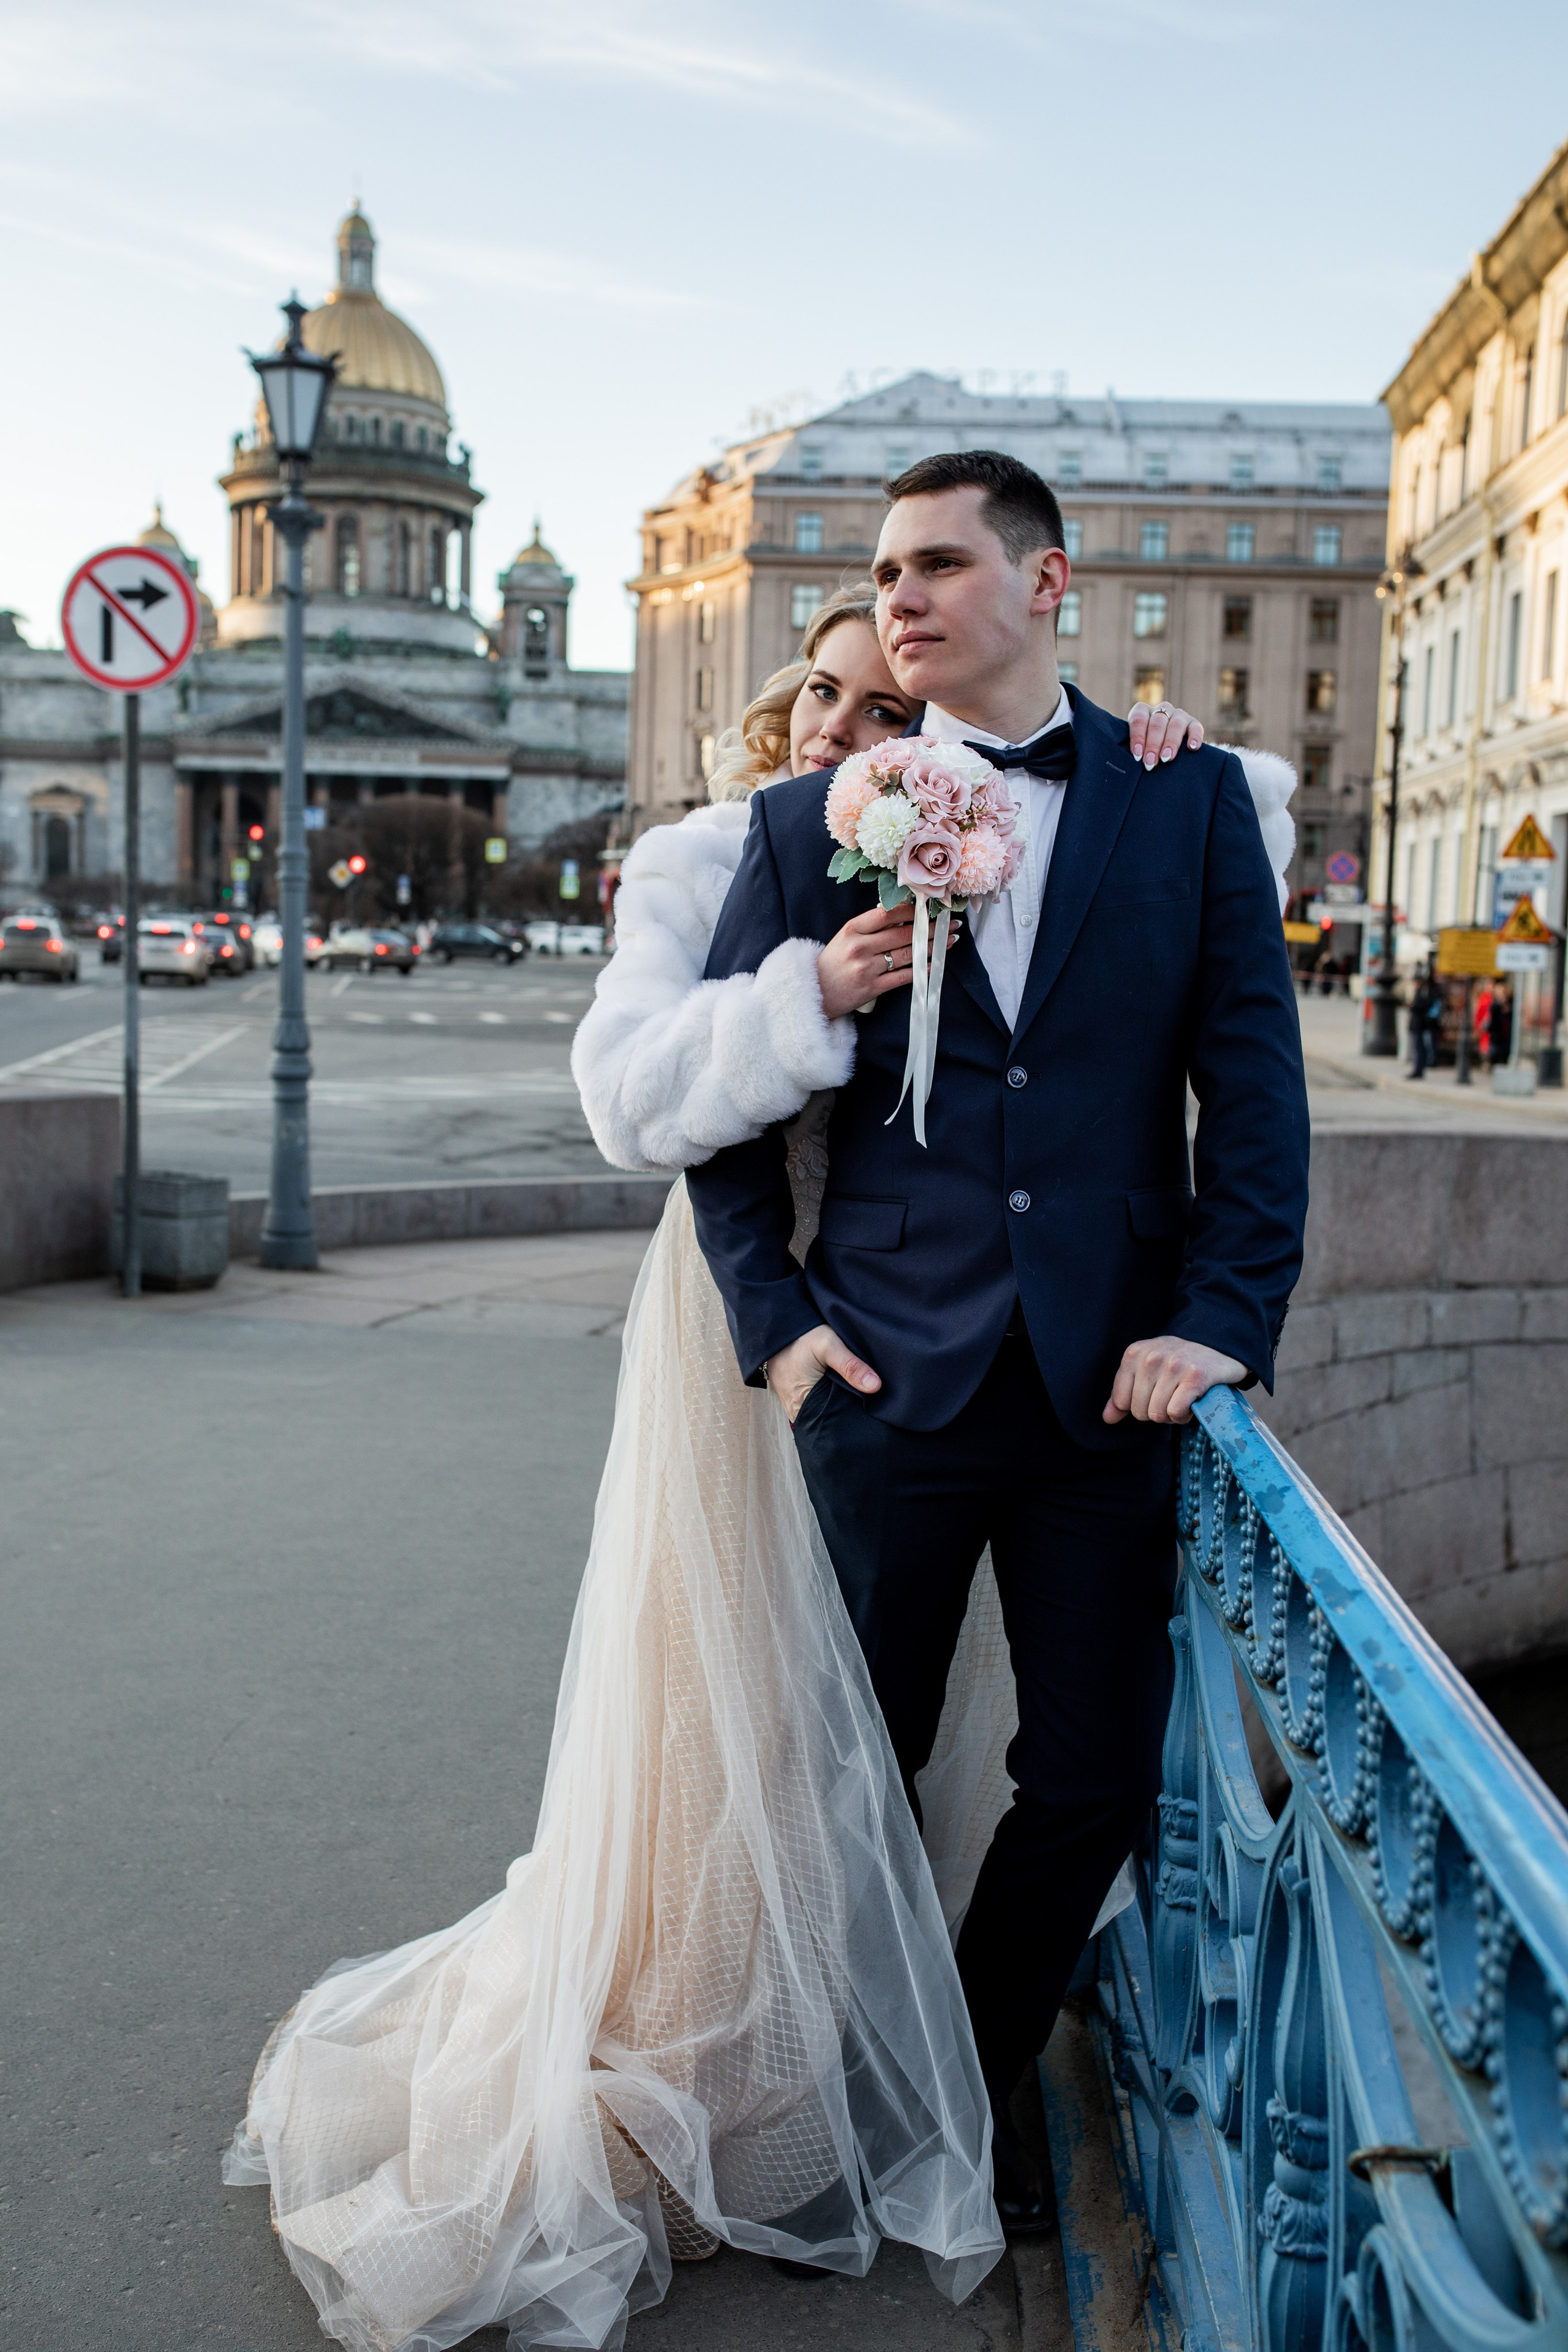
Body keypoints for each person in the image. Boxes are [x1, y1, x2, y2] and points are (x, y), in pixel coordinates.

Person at [221, 579, 1290, 2349]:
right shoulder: (733, 853)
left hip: (957, 1326)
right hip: (776, 1330)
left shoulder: (1023, 803)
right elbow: (644, 1100)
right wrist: (810, 1003)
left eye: (892, 717)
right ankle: (756, 2066)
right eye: (832, 697)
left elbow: (1148, 880)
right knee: (763, 1731)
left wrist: (1158, 732)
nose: (857, 738)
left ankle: (930, 2067)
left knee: (985, 1747)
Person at [686, 450, 1310, 2236]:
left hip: (1107, 1382)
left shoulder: (1186, 805)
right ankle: (838, 2118)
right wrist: (778, 1324)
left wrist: (1218, 1320)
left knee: (1097, 1775)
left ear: (1047, 584)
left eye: (942, 563)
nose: (900, 594)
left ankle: (960, 2073)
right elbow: (731, 1103)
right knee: (842, 1779)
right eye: (885, 569)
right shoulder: (811, 824)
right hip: (882, 1376)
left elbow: (1250, 1101)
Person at [1408, 967, 1442, 1078]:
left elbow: (1424, 1005)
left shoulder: (1424, 993)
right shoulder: (1421, 992)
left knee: (1419, 1048)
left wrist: (1413, 1006)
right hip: (1418, 1025)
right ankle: (1419, 1069)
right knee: (1419, 1048)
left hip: (1419, 1025)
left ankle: (1419, 1069)